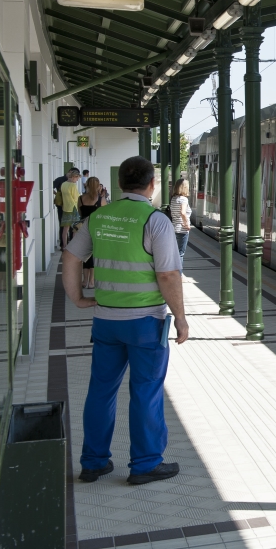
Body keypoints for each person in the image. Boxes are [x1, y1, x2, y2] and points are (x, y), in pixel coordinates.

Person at [62, 156, 189, 486]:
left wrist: (77, 298)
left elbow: (71, 256)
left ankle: (93, 462)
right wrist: (181, 318)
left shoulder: (100, 217)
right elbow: (168, 274)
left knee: (101, 391)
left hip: (106, 322)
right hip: (146, 322)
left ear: (120, 185)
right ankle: (145, 464)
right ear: (151, 185)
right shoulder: (155, 221)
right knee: (145, 391)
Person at [77, 177, 107, 289]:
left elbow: (80, 213)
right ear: (99, 185)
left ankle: (84, 281)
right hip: (97, 230)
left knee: (85, 255)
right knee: (95, 254)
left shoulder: (81, 199)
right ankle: (92, 281)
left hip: (83, 229)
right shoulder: (101, 200)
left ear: (87, 185)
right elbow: (105, 216)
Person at [169, 178, 192, 265]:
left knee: (174, 253)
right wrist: (187, 224)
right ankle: (179, 275)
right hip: (182, 229)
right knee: (180, 254)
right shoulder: (184, 199)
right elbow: (183, 212)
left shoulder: (174, 199)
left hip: (174, 228)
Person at [60, 169, 82, 250]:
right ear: (74, 177)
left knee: (65, 228)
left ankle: (65, 246)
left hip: (66, 207)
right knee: (76, 228)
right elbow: (77, 198)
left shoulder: (63, 184)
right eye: (77, 178)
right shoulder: (73, 186)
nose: (77, 180)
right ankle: (73, 246)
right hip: (73, 208)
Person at [53, 171, 68, 247]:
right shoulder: (60, 179)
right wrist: (57, 194)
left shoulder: (71, 183)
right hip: (61, 205)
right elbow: (51, 187)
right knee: (63, 224)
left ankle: (67, 243)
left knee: (68, 226)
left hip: (68, 206)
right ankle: (63, 244)